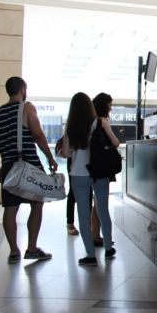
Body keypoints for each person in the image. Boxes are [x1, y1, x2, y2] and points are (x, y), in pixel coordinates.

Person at [0, 76, 57, 264]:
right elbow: (38, 134)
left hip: (8, 166)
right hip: (29, 164)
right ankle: (32, 248)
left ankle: (13, 252)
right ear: (22, 90)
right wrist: (50, 158)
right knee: (37, 204)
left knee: (10, 209)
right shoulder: (26, 107)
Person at [58, 92, 118, 266]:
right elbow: (115, 143)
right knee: (103, 211)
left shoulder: (71, 127)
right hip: (100, 172)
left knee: (83, 215)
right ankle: (108, 248)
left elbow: (66, 153)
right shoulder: (100, 122)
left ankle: (91, 256)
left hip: (79, 174)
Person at [91, 92, 117, 246]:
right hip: (102, 167)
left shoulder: (90, 120)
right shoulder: (102, 121)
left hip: (91, 166)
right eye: (109, 105)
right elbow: (115, 142)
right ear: (104, 106)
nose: (110, 109)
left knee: (96, 204)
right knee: (102, 205)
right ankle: (106, 240)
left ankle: (95, 235)